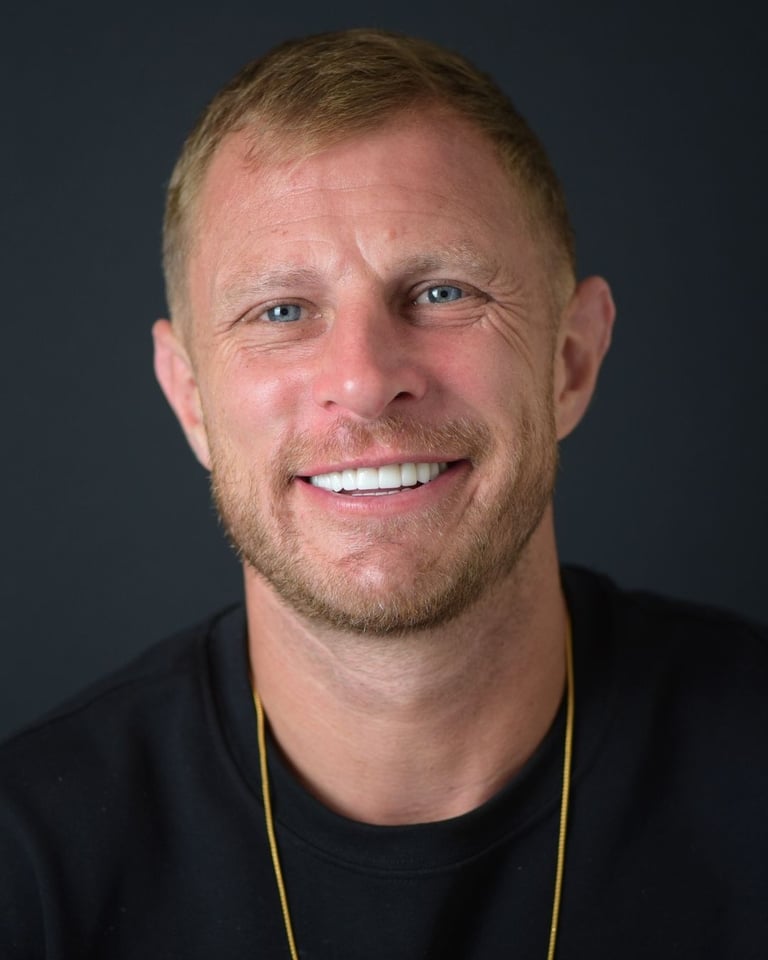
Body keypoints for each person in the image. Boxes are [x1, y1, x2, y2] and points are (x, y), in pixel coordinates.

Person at [1, 28, 766, 959]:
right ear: (191, 397)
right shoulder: (28, 865)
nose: (364, 381)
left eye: (442, 292)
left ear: (571, 360)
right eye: (281, 311)